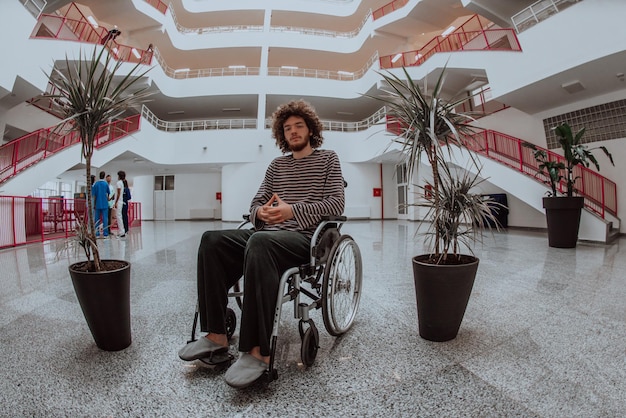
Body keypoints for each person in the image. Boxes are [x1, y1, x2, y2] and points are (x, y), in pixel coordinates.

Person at [177, 100, 345, 389]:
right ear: (282, 134)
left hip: (304, 238)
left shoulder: (328, 159)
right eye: (287, 128)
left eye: (298, 126)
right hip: (266, 235)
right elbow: (256, 202)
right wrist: (260, 213)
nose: (293, 132)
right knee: (211, 240)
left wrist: (292, 211)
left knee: (260, 241)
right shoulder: (276, 165)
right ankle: (216, 335)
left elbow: (336, 203)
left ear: (311, 129)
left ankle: (258, 351)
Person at [91, 171, 109, 238]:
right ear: (104, 176)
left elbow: (94, 195)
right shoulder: (106, 184)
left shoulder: (96, 184)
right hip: (105, 204)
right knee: (105, 219)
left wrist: (95, 204)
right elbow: (107, 193)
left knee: (97, 219)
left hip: (98, 204)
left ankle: (97, 233)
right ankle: (105, 234)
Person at [113, 170, 127, 238]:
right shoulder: (122, 183)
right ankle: (122, 231)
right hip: (121, 201)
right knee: (119, 216)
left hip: (119, 201)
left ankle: (121, 232)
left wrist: (115, 202)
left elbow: (118, 193)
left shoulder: (119, 183)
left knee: (119, 217)